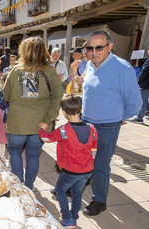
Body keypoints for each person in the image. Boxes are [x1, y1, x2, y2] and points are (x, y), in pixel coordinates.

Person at [75, 31, 142, 216]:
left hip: (107, 126)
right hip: (86, 122)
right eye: (90, 48)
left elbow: (135, 103)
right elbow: (88, 91)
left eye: (99, 47)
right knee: (83, 160)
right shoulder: (90, 64)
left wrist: (119, 118)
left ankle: (99, 200)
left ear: (110, 47)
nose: (94, 52)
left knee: (101, 165)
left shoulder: (123, 68)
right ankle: (77, 188)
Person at [3, 37, 63, 190]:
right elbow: (57, 96)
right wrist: (49, 118)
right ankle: (29, 186)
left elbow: (6, 95)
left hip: (18, 122)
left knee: (15, 152)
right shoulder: (50, 71)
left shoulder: (15, 70)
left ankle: (19, 187)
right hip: (41, 123)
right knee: (33, 155)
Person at [39, 93, 98, 228]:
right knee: (77, 193)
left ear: (64, 112)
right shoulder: (92, 129)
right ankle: (74, 216)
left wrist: (42, 130)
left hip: (70, 170)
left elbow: (47, 139)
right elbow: (94, 150)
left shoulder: (64, 130)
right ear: (81, 109)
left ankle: (67, 218)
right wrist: (88, 163)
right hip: (87, 169)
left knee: (60, 190)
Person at [128, 47, 149, 123]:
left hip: (146, 84)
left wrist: (139, 81)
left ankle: (139, 117)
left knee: (143, 100)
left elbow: (144, 72)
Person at [0, 74, 9, 166]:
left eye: (2, 82)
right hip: (14, 122)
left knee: (2, 141)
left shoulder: (2, 94)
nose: (1, 84)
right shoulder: (16, 94)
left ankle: (2, 157)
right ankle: (11, 163)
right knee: (12, 146)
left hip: (3, 121)